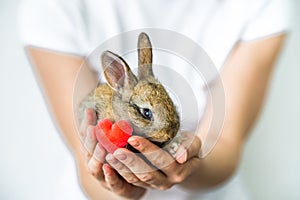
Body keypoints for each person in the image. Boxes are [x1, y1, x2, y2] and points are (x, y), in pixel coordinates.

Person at [19, 0, 292, 199]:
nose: (167, 131)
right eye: (148, 115)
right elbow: (85, 161)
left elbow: (224, 141)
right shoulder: (50, 6)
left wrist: (193, 163)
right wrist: (118, 184)